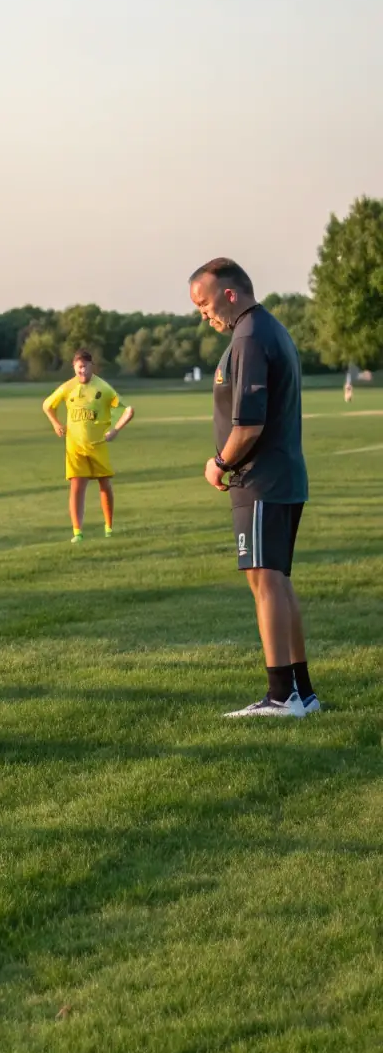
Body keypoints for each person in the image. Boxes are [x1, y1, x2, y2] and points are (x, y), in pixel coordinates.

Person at [189, 257, 319, 718]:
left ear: (229, 293)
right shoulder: (270, 328)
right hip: (280, 475)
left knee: (264, 580)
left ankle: (281, 696)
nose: (204, 315)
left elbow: (248, 424)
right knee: (277, 581)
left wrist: (220, 463)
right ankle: (302, 692)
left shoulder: (248, 336)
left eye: (204, 304)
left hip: (261, 479)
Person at [42, 349, 134, 542]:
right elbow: (47, 405)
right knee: (77, 486)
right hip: (74, 447)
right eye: (79, 367)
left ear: (92, 366)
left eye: (85, 366)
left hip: (97, 445)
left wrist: (115, 430)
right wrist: (56, 424)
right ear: (74, 367)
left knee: (105, 485)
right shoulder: (68, 387)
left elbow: (128, 410)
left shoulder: (103, 388)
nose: (82, 371)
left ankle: (108, 527)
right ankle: (77, 532)